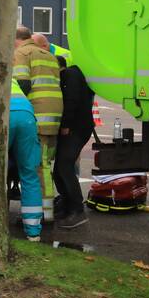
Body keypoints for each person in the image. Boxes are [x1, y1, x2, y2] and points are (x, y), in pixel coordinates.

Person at [13, 26, 63, 223]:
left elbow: (22, 85)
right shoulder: (49, 55)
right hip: (54, 118)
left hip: (37, 118)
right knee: (45, 166)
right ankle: (47, 212)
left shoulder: (22, 53)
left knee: (35, 168)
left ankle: (41, 215)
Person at [53, 55, 94, 229]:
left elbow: (71, 101)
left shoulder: (70, 75)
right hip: (75, 127)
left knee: (64, 166)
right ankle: (66, 205)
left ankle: (77, 211)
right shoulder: (68, 77)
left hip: (76, 128)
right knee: (59, 169)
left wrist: (66, 124)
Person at [10, 78, 44, 241]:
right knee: (29, 174)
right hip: (26, 115)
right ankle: (33, 231)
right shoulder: (13, 80)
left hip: (4, 113)